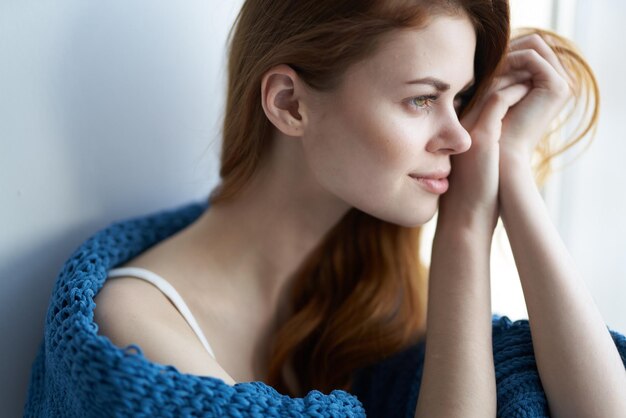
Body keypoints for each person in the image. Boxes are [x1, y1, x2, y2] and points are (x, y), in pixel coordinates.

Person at [24, 0, 626, 417]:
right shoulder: (133, 327)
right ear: (289, 103)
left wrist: (511, 170)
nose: (461, 136)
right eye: (422, 99)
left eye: (462, 99)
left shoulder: (373, 291)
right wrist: (464, 227)